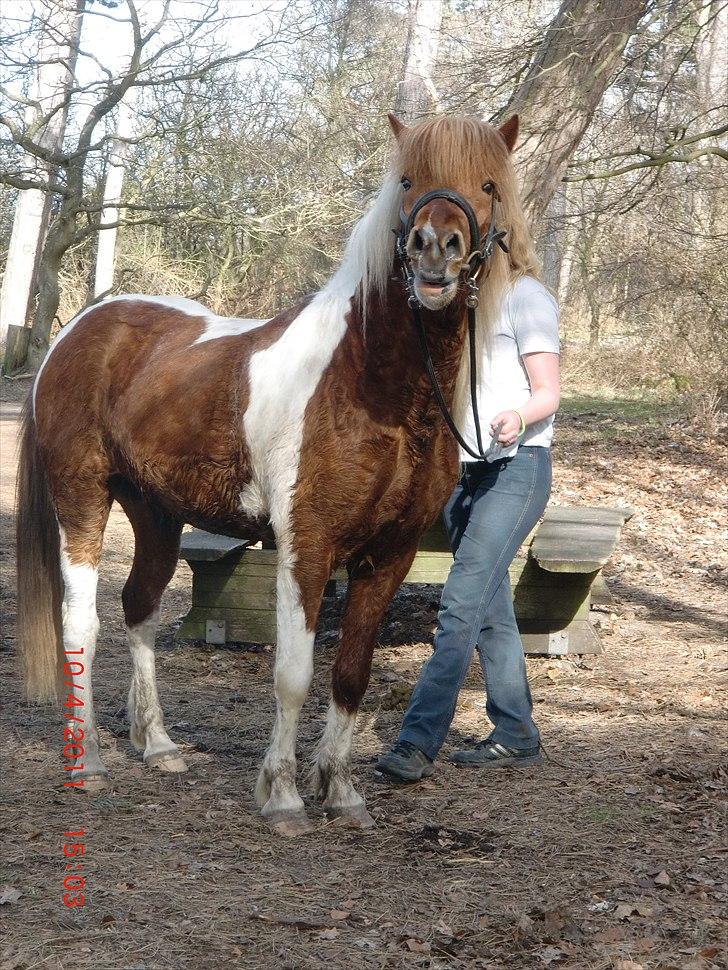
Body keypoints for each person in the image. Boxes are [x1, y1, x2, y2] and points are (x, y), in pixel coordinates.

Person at [376, 275, 560, 781]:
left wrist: (518, 418)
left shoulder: (526, 297)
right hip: (457, 474)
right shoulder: (451, 302)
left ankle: (416, 741)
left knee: (459, 607)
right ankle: (516, 732)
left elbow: (548, 392)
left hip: (517, 468)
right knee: (489, 607)